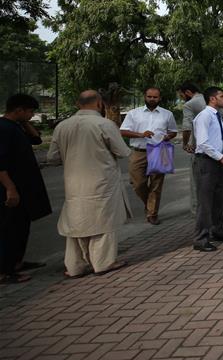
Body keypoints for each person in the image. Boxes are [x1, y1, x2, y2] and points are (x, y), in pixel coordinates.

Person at [46, 90, 131, 277]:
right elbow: (123, 151)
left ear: (78, 104)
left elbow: (52, 158)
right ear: (100, 104)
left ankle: (75, 266)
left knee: (76, 222)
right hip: (102, 182)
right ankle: (103, 263)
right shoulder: (104, 124)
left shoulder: (62, 126)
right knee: (103, 222)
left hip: (73, 184)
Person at [0, 94, 51, 284]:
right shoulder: (3, 129)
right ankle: (5, 271)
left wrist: (25, 122)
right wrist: (10, 188)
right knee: (9, 229)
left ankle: (16, 262)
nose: (32, 115)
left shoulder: (16, 127)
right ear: (18, 110)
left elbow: (36, 140)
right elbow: (0, 163)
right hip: (11, 188)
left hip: (26, 187)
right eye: (29, 112)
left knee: (22, 226)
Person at [119, 87, 178, 225]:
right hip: (139, 151)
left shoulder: (167, 114)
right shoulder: (134, 113)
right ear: (145, 97)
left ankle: (152, 213)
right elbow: (123, 131)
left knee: (156, 184)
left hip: (160, 150)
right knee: (138, 184)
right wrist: (141, 134)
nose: (152, 99)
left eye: (155, 97)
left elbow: (173, 131)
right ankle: (149, 204)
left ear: (160, 98)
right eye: (150, 97)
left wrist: (168, 137)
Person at [192, 87, 223, 252]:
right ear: (212, 99)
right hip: (206, 163)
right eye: (221, 96)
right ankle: (200, 238)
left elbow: (219, 141)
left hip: (216, 161)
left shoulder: (217, 116)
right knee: (205, 202)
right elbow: (203, 143)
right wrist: (221, 157)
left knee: (218, 199)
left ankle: (217, 231)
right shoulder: (204, 116)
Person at [178, 82, 208, 217]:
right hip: (216, 148)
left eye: (181, 95)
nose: (181, 98)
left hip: (199, 148)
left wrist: (185, 143)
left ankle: (197, 210)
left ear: (188, 92)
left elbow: (186, 127)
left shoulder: (190, 104)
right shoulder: (210, 99)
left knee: (196, 181)